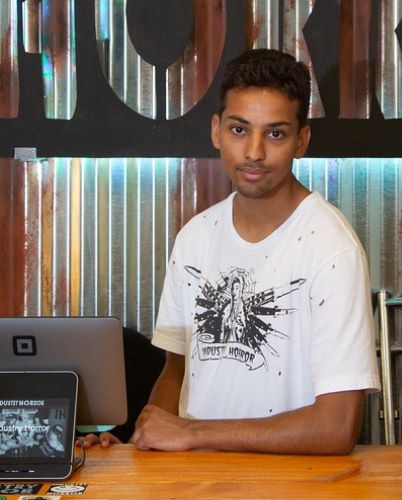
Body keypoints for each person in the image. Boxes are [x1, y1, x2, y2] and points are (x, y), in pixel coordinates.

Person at [84, 48, 380, 454]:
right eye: (240, 130)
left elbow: (336, 428)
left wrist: (190, 434)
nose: (254, 152)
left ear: (302, 141)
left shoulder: (331, 248)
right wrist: (143, 439)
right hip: (193, 482)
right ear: (216, 131)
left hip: (293, 485)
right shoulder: (195, 237)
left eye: (275, 133)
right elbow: (178, 370)